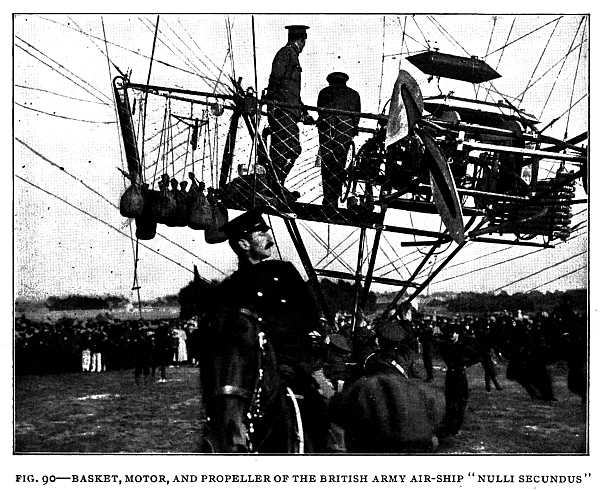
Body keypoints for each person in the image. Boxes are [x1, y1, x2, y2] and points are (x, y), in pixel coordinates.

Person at [218, 208, 329, 451]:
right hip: (252, 372)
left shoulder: (285, 272)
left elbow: (310, 316)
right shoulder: (231, 288)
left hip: (295, 365)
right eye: (261, 233)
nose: (270, 238)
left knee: (325, 412)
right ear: (244, 243)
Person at [266, 25, 315, 198]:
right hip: (282, 111)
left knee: (289, 149)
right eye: (304, 42)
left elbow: (292, 93)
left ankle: (275, 185)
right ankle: (273, 186)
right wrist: (273, 106)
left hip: (288, 111)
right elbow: (276, 81)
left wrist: (304, 113)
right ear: (301, 41)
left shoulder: (291, 55)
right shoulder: (286, 54)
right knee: (287, 149)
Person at [316, 72, 361, 210]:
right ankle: (334, 197)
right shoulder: (354, 94)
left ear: (330, 81)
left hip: (327, 129)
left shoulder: (324, 92)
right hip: (345, 129)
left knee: (327, 162)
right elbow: (356, 116)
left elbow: (320, 111)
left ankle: (329, 199)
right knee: (339, 162)